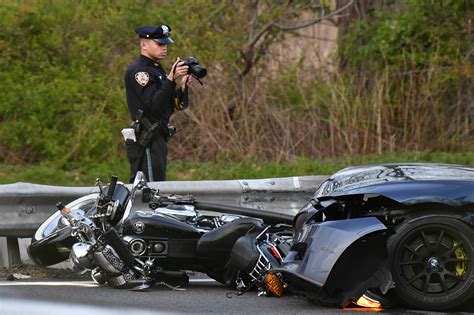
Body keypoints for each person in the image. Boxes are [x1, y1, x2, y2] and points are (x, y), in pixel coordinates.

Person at [123, 25, 192, 183]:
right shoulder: (139, 72)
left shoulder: (157, 70)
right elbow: (153, 106)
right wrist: (169, 79)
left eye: (165, 44)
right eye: (160, 44)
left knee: (156, 184)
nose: (164, 48)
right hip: (146, 137)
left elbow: (174, 105)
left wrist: (181, 87)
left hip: (158, 136)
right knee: (148, 188)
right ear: (144, 45)